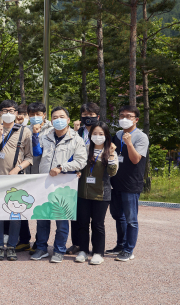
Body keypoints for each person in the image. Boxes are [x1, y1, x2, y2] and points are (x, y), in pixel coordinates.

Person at [30, 107, 87, 263]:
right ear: (51, 120)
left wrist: (62, 167)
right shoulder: (45, 136)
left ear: (68, 120)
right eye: (55, 117)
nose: (58, 120)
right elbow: (36, 153)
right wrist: (35, 135)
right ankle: (41, 248)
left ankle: (59, 250)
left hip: (64, 184)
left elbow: (81, 161)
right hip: (45, 183)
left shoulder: (76, 139)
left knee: (61, 221)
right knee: (42, 218)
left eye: (61, 117)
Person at [0, 100, 33, 261]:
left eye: (12, 111)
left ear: (16, 114)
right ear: (0, 113)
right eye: (5, 110)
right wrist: (0, 135)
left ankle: (12, 245)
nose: (8, 113)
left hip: (16, 179)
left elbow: (29, 157)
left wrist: (17, 169)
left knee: (15, 213)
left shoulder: (25, 131)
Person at [107, 105, 149, 262]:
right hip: (115, 182)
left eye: (128, 116)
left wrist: (129, 143)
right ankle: (120, 244)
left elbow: (135, 159)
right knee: (118, 216)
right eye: (121, 115)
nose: (124, 119)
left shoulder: (141, 137)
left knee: (131, 219)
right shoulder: (117, 134)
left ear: (136, 119)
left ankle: (129, 249)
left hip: (131, 184)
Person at [76, 122, 118, 265]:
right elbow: (77, 166)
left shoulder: (110, 152)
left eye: (101, 134)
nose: (98, 137)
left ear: (106, 136)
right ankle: (83, 250)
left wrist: (111, 154)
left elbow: (112, 172)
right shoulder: (84, 149)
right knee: (82, 223)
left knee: (98, 224)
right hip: (83, 193)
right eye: (95, 134)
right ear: (90, 135)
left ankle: (98, 252)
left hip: (101, 194)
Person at [66, 102, 101, 256]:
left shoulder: (102, 133)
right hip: (76, 176)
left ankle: (96, 248)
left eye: (91, 115)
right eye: (85, 115)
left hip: (95, 178)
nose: (88, 118)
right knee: (76, 214)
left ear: (97, 117)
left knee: (95, 218)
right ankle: (77, 244)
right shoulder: (77, 132)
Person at [25, 101, 53, 252]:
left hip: (43, 177)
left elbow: (40, 153)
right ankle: (23, 240)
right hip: (27, 175)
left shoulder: (52, 130)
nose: (35, 117)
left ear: (44, 115)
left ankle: (40, 243)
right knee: (22, 208)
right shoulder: (24, 129)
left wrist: (36, 134)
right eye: (32, 115)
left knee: (42, 212)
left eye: (38, 114)